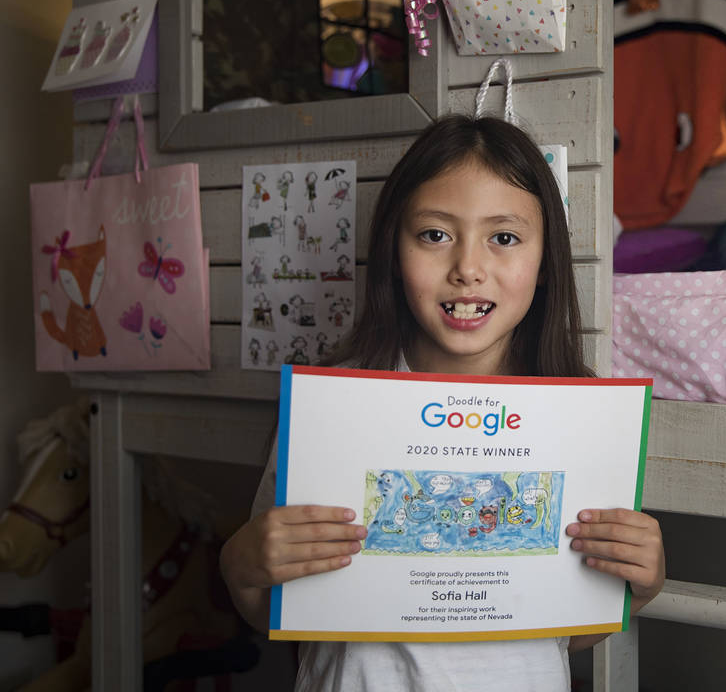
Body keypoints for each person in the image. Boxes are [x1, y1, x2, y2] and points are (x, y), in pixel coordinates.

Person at [219, 115, 666, 691]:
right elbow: (276, 608)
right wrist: (240, 565)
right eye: (435, 234)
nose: (467, 269)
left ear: (545, 261)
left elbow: (571, 629)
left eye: (504, 238)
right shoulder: (334, 408)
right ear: (392, 249)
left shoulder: (579, 421)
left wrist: (640, 584)